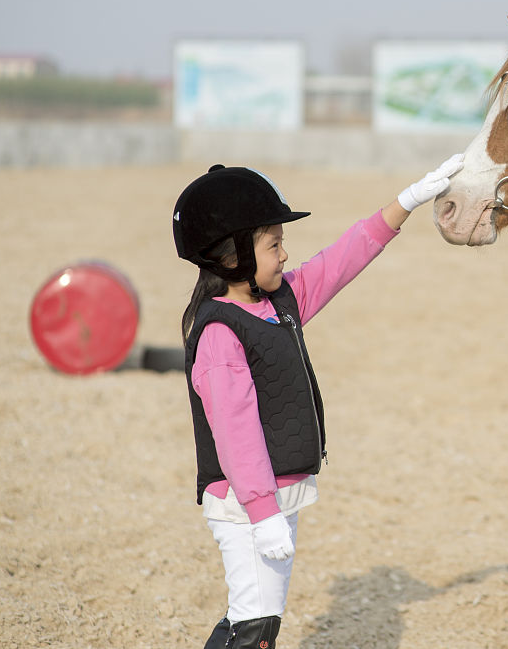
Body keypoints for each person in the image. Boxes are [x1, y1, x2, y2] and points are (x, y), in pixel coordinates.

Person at [173, 156, 463, 649]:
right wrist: (263, 515)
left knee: (254, 616)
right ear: (231, 255)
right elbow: (236, 433)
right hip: (247, 506)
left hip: (275, 497)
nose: (285, 255)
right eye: (273, 245)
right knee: (255, 626)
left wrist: (405, 203)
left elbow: (340, 261)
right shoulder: (221, 333)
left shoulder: (278, 303)